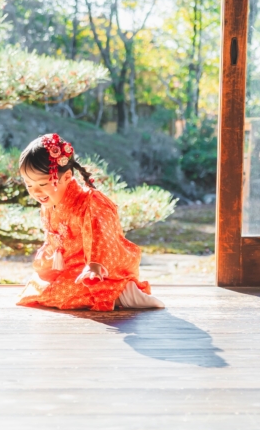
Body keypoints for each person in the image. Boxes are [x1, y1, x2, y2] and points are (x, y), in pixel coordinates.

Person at [16, 133, 164, 312]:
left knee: (62, 293)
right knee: (35, 290)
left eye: (42, 184)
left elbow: (99, 234)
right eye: (29, 185)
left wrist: (94, 266)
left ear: (66, 176)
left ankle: (122, 291)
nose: (36, 192)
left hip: (95, 267)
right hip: (69, 264)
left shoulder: (90, 202)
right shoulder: (49, 202)